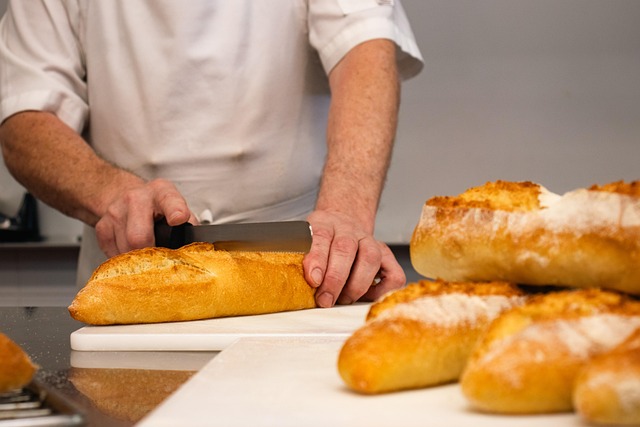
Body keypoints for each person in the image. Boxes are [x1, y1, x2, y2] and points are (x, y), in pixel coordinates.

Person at [0, 1, 423, 308]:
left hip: (303, 271)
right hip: (133, 271)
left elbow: (365, 50)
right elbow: (24, 114)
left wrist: (345, 213)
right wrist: (108, 191)